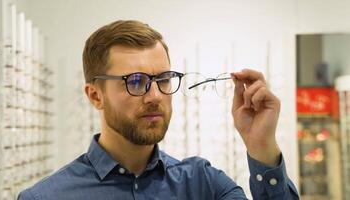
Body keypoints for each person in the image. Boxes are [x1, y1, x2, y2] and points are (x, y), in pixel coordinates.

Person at [18, 20, 299, 200]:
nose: (155, 96)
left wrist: (262, 146)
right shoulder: (47, 196)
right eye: (135, 82)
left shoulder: (203, 184)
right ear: (95, 96)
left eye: (163, 79)